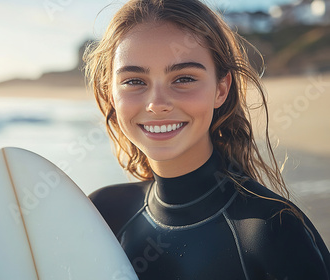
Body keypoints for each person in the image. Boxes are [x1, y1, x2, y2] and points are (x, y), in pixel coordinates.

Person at [83, 0, 330, 279]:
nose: (157, 104)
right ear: (109, 93)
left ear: (221, 89)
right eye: (134, 81)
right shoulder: (103, 212)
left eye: (184, 78)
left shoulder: (271, 232)